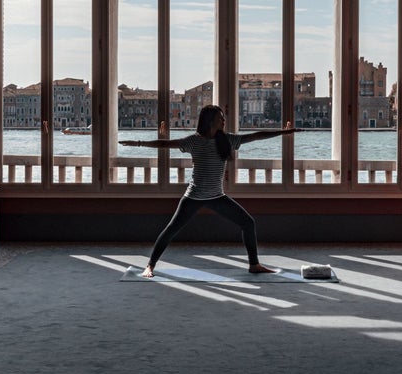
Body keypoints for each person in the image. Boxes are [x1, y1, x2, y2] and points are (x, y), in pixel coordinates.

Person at [119, 104, 297, 278]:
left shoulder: (226, 140)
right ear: (210, 121)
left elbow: (256, 136)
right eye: (220, 118)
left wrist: (284, 132)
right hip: (193, 197)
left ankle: (254, 265)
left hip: (217, 196)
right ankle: (150, 265)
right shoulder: (193, 141)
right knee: (171, 230)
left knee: (248, 223)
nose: (224, 121)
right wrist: (138, 143)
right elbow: (165, 144)